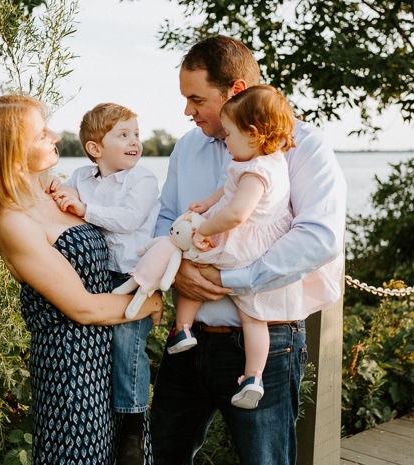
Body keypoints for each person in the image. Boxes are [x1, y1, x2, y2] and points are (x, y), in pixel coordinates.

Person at [150, 36, 346, 465]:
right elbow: (165, 219)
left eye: (196, 99)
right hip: (187, 341)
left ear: (235, 91)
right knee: (160, 456)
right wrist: (177, 271)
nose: (187, 112)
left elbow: (319, 237)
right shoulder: (187, 147)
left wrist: (230, 280)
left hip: (267, 342)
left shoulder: (302, 146)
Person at [0, 94, 162, 465]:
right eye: (40, 133)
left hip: (110, 359)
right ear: (11, 149)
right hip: (72, 371)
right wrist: (150, 301)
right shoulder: (14, 222)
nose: (53, 135)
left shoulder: (62, 194)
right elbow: (82, 308)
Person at [167, 84, 305, 410]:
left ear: (254, 134)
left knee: (191, 262)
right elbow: (224, 193)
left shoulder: (255, 171)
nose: (225, 141)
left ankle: (182, 328)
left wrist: (203, 229)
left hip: (240, 244)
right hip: (258, 250)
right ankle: (253, 377)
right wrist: (206, 203)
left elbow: (235, 213)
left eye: (228, 134)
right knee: (253, 316)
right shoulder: (265, 161)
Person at [49, 103, 160, 464]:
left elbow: (128, 220)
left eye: (136, 135)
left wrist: (85, 211)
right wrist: (52, 185)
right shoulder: (82, 176)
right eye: (123, 135)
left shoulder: (141, 179)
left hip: (134, 276)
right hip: (98, 277)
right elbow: (59, 192)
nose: (135, 142)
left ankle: (132, 423)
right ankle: (105, 417)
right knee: (101, 349)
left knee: (128, 345)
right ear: (96, 149)